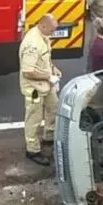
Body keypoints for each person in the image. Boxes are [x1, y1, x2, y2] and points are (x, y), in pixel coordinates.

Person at [19, 13, 61, 166]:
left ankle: (49, 137)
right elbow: (28, 71)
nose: (53, 33)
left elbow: (45, 59)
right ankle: (32, 150)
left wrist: (53, 69)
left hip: (45, 84)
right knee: (34, 118)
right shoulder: (32, 44)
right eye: (51, 30)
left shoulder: (43, 36)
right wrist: (48, 77)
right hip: (34, 89)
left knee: (54, 108)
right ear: (43, 26)